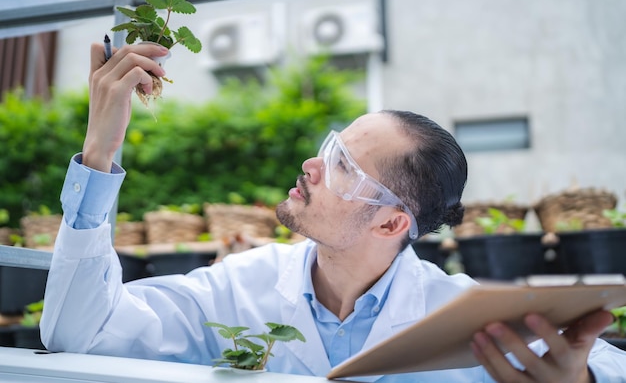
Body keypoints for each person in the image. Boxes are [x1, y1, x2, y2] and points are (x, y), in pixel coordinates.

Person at [41, 42, 626, 383]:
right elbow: (81, 331)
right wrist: (99, 155)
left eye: (342, 164)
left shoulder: (462, 317)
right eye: (329, 148)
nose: (311, 165)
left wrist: (584, 378)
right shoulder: (238, 291)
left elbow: (602, 364)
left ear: (392, 222)